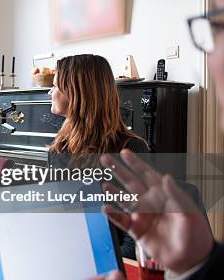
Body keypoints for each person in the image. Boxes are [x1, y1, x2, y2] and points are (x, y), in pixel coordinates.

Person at [62, 0, 224, 280]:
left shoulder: (131, 150)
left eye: (220, 26)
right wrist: (195, 265)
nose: (210, 55)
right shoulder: (61, 145)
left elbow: (128, 240)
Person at [48, 54, 149, 259]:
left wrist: (103, 264)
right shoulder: (58, 149)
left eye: (56, 86)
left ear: (77, 93)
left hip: (113, 263)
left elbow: (136, 239)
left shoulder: (132, 149)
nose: (49, 92)